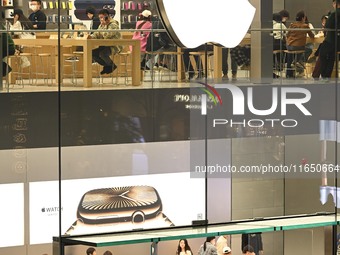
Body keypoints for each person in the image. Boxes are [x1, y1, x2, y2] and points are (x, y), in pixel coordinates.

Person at [90, 9, 122, 75]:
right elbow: (97, 34)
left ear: (107, 16)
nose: (101, 19)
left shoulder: (113, 25)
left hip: (114, 46)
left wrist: (105, 25)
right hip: (105, 45)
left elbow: (107, 35)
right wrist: (90, 36)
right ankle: (108, 65)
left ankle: (110, 65)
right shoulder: (102, 25)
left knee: (102, 53)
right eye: (100, 18)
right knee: (93, 53)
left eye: (102, 17)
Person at [285, 10, 314, 78]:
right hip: (299, 47)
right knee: (309, 49)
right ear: (303, 18)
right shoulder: (305, 26)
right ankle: (297, 61)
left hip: (289, 46)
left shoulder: (292, 25)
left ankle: (289, 73)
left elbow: (287, 34)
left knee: (291, 53)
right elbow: (312, 36)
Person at [319, 0, 340, 79]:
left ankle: (325, 75)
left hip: (331, 40)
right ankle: (327, 76)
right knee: (331, 57)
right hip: (338, 43)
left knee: (322, 53)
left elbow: (327, 26)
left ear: (336, 4)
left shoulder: (334, 13)